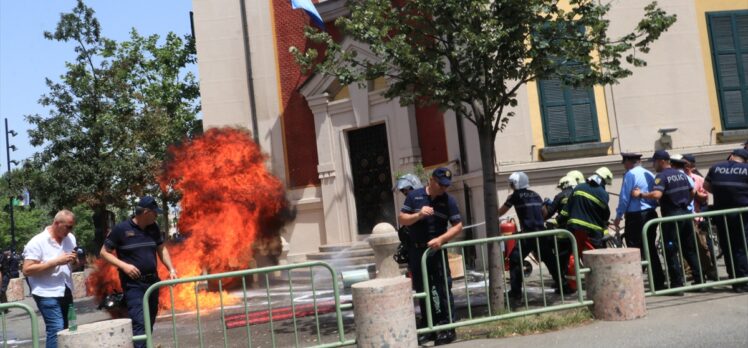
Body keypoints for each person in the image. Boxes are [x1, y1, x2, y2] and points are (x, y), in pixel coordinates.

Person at [100, 196, 177, 348]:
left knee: (150, 319)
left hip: (153, 282)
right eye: (155, 212)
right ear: (146, 212)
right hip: (133, 284)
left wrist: (171, 269)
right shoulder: (121, 229)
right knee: (139, 322)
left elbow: (161, 248)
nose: (157, 215)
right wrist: (124, 266)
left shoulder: (153, 228)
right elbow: (104, 253)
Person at [399, 167, 462, 346]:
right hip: (416, 251)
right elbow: (402, 218)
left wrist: (441, 239)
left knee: (442, 288)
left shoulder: (449, 201)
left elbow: (458, 226)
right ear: (432, 180)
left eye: (446, 185)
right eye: (441, 184)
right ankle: (429, 327)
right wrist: (418, 215)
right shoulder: (415, 196)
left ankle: (447, 328)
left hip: (436, 250)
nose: (444, 188)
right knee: (422, 289)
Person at [633, 151, 703, 289]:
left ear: (661, 161)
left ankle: (677, 283)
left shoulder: (661, 176)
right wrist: (683, 203)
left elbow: (657, 194)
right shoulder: (681, 174)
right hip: (685, 214)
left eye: (654, 162)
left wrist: (639, 194)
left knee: (670, 250)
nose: (653, 165)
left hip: (672, 217)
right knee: (689, 249)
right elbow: (692, 192)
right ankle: (700, 280)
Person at [498, 171, 567, 298]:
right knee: (550, 260)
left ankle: (516, 292)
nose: (511, 186)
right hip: (541, 232)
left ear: (515, 184)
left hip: (528, 235)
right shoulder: (536, 195)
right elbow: (544, 213)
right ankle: (563, 285)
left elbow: (501, 212)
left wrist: (493, 215)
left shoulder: (515, 196)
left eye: (512, 184)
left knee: (514, 259)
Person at [22, 210, 79, 348]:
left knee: (68, 328)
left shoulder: (70, 238)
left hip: (66, 289)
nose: (70, 230)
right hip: (46, 292)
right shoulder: (37, 242)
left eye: (72, 227)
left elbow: (75, 264)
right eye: (68, 227)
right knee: (56, 328)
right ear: (57, 223)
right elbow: (27, 269)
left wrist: (74, 261)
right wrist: (55, 262)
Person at [613, 152, 665, 290]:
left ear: (629, 162)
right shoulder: (649, 173)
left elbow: (625, 198)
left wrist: (618, 216)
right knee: (650, 248)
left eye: (624, 162)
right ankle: (658, 281)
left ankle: (634, 283)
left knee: (634, 250)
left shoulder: (630, 174)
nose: (624, 165)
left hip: (636, 216)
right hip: (650, 214)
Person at [703, 148, 748, 293]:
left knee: (727, 246)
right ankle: (743, 280)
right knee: (741, 247)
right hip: (742, 214)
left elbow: (706, 186)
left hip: (721, 214)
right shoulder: (746, 169)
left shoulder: (715, 167)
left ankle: (734, 278)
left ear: (731, 156)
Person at [560, 167, 613, 259]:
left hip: (574, 228)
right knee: (597, 256)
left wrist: (559, 220)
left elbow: (566, 209)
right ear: (603, 180)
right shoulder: (603, 193)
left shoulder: (578, 187)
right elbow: (605, 215)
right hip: (592, 230)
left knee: (575, 253)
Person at [683, 153, 717, 281]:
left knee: (703, 246)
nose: (683, 166)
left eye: (685, 163)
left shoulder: (697, 178)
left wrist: (694, 193)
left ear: (691, 165)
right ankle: (691, 271)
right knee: (688, 246)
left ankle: (709, 270)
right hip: (685, 217)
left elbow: (705, 197)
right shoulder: (679, 177)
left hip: (697, 217)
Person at [392, 173, 423, 265]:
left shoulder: (424, 198)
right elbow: (403, 219)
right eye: (403, 191)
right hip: (413, 246)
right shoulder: (409, 201)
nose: (405, 192)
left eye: (407, 189)